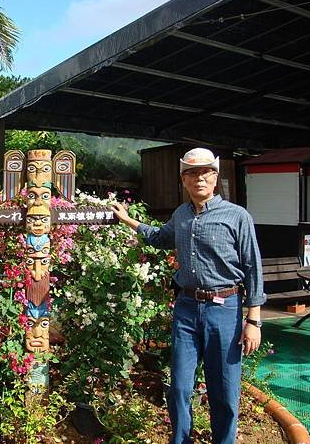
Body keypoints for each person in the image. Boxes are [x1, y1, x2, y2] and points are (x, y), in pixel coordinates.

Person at [111, 148, 265, 444]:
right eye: (192, 172)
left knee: (224, 389)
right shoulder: (181, 214)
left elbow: (253, 268)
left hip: (225, 309)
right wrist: (129, 220)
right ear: (183, 179)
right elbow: (159, 238)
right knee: (180, 386)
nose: (199, 178)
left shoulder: (237, 217)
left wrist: (253, 320)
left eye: (205, 171)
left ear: (215, 176)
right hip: (187, 308)